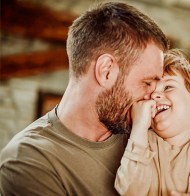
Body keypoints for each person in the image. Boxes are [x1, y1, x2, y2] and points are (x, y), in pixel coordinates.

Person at [0, 2, 169, 195]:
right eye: (147, 83)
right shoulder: (29, 159)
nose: (153, 97)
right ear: (106, 71)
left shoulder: (142, 134)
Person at [114, 49, 190, 196]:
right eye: (151, 94)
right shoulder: (143, 142)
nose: (155, 95)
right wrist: (139, 127)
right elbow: (130, 191)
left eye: (168, 87)